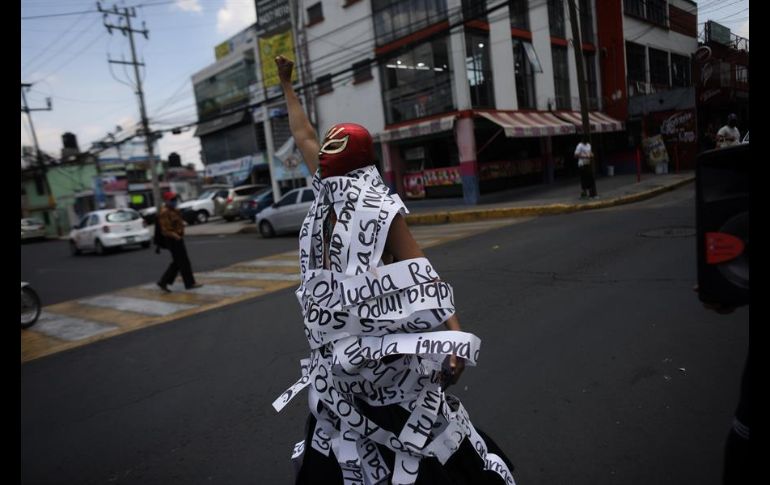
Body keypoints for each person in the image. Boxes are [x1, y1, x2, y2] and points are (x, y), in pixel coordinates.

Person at [272, 55, 515, 485]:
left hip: (385, 368)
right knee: (347, 450)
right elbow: (301, 132)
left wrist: (454, 333)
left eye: (330, 151)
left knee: (414, 449)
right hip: (339, 370)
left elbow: (419, 268)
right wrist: (286, 84)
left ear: (349, 166)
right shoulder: (328, 192)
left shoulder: (376, 208)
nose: (322, 156)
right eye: (322, 151)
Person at [156, 191, 202, 292]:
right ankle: (189, 283)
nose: (174, 201)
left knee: (178, 262)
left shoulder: (174, 210)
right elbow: (165, 230)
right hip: (173, 239)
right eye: (172, 200)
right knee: (183, 262)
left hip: (177, 238)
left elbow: (177, 222)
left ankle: (163, 281)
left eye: (175, 199)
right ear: (167, 201)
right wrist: (176, 236)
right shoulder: (164, 212)